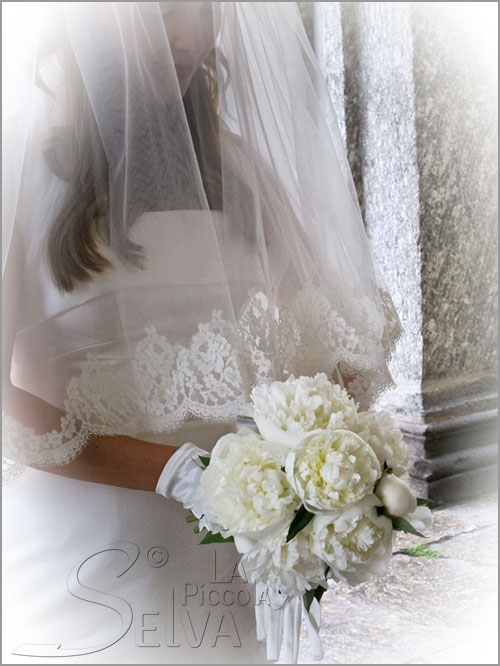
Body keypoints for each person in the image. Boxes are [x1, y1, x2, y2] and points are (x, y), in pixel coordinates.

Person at [2, 3, 403, 663]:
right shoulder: (14, 163)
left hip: (218, 571)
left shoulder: (236, 168)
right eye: (163, 15)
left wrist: (330, 460)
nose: (189, 40)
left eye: (206, 12)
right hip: (81, 562)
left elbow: (331, 340)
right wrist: (175, 474)